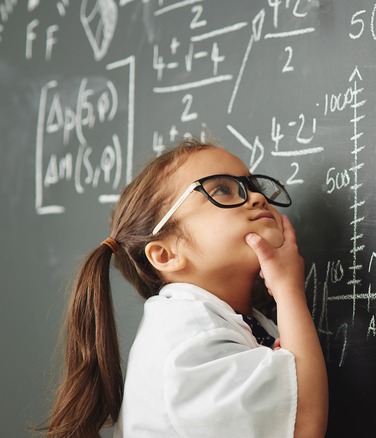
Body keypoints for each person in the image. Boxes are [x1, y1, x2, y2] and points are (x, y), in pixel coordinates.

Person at [45, 138, 328, 437]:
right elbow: (303, 426)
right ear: (166, 255)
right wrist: (288, 291)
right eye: (221, 189)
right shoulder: (189, 339)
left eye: (253, 186)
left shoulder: (223, 323)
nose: (256, 198)